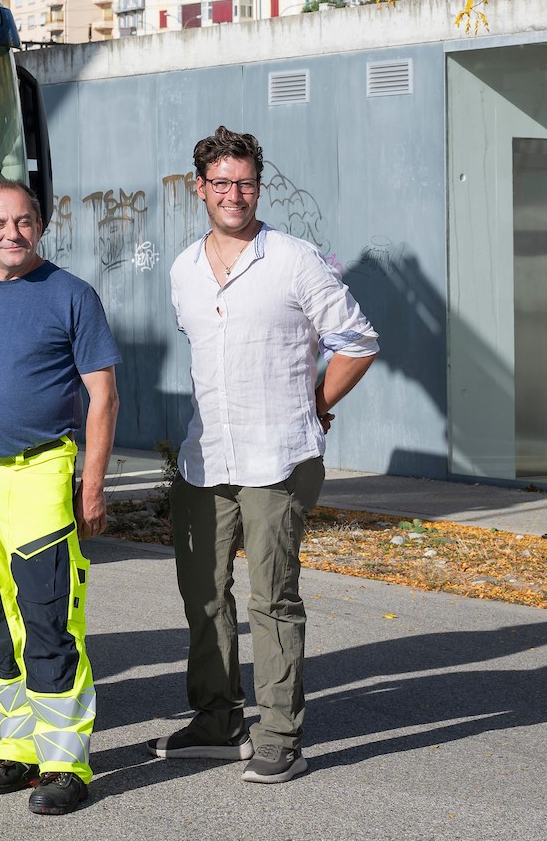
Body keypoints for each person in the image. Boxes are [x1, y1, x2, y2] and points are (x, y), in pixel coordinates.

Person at [153, 127, 379, 784]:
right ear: (199, 188)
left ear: (260, 184)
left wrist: (314, 401)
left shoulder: (294, 259)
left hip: (275, 456)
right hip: (205, 457)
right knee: (203, 597)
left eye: (245, 182)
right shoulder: (184, 270)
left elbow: (357, 340)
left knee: (271, 600)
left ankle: (280, 734)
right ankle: (218, 722)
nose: (234, 195)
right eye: (220, 183)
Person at [0, 180, 119, 816]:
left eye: (23, 221)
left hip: (42, 475)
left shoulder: (72, 295)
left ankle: (66, 762)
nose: (11, 232)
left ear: (39, 227)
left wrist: (91, 485)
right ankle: (16, 752)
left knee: (49, 622)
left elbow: (103, 395)